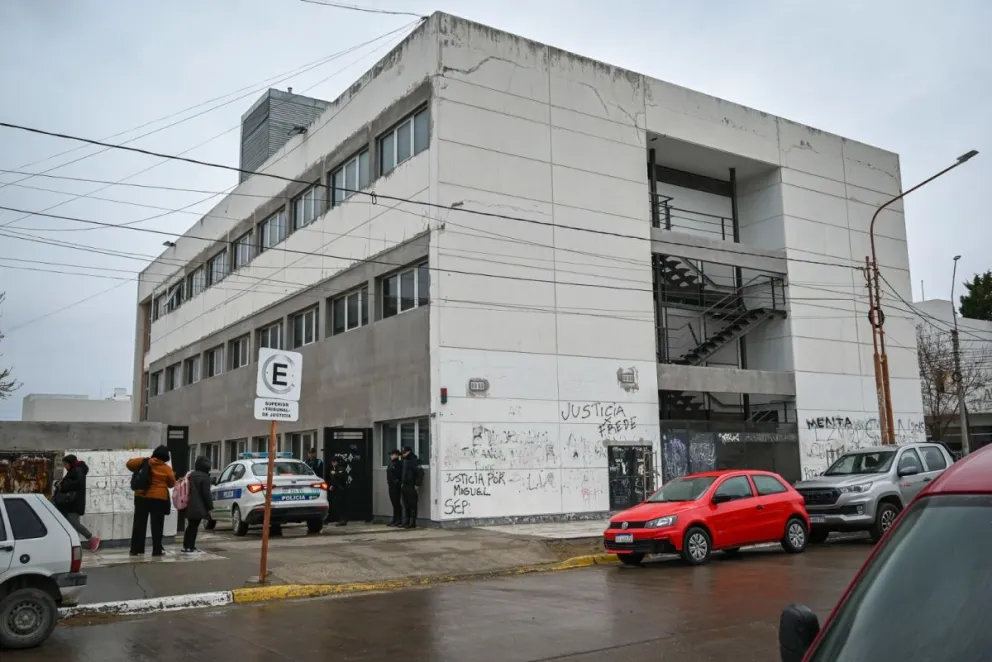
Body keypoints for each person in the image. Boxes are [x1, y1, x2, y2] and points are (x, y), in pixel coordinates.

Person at [126, 445, 176, 557]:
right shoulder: (166, 468)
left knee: (139, 523)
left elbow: (129, 464)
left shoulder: (144, 462)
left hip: (141, 496)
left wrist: (144, 460)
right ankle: (157, 550)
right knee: (157, 525)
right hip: (158, 498)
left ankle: (136, 549)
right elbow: (171, 483)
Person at [54, 455, 100, 552]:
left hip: (74, 502)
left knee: (73, 522)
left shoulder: (77, 470)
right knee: (73, 523)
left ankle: (91, 538)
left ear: (70, 463)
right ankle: (76, 544)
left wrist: (62, 485)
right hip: (72, 501)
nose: (65, 466)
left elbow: (75, 484)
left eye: (65, 464)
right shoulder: (74, 470)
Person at [181, 456, 213, 553]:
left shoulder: (191, 475)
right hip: (198, 506)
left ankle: (186, 546)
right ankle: (190, 546)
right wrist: (210, 506)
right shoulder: (205, 477)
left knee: (190, 525)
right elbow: (206, 494)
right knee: (194, 527)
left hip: (188, 504)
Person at [400, 446, 423, 529]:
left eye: (404, 452)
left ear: (409, 452)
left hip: (411, 485)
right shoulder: (404, 461)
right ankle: (406, 521)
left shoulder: (414, 461)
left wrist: (417, 484)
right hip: (405, 485)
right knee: (406, 505)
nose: (403, 454)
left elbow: (420, 473)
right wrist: (402, 483)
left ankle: (412, 522)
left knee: (412, 505)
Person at [327, 455, 347, 527]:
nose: (332, 463)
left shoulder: (341, 469)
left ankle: (343, 520)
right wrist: (332, 485)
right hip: (336, 489)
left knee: (340, 504)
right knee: (336, 504)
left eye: (333, 462)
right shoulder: (335, 469)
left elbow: (341, 478)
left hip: (340, 489)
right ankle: (340, 519)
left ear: (336, 462)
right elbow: (334, 480)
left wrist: (335, 473)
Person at [386, 448, 403, 527]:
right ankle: (395, 518)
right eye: (391, 455)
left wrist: (397, 482)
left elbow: (400, 474)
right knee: (393, 503)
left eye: (392, 455)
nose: (391, 456)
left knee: (396, 502)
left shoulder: (398, 464)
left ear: (397, 455)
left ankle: (399, 519)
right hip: (391, 485)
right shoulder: (391, 463)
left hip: (396, 486)